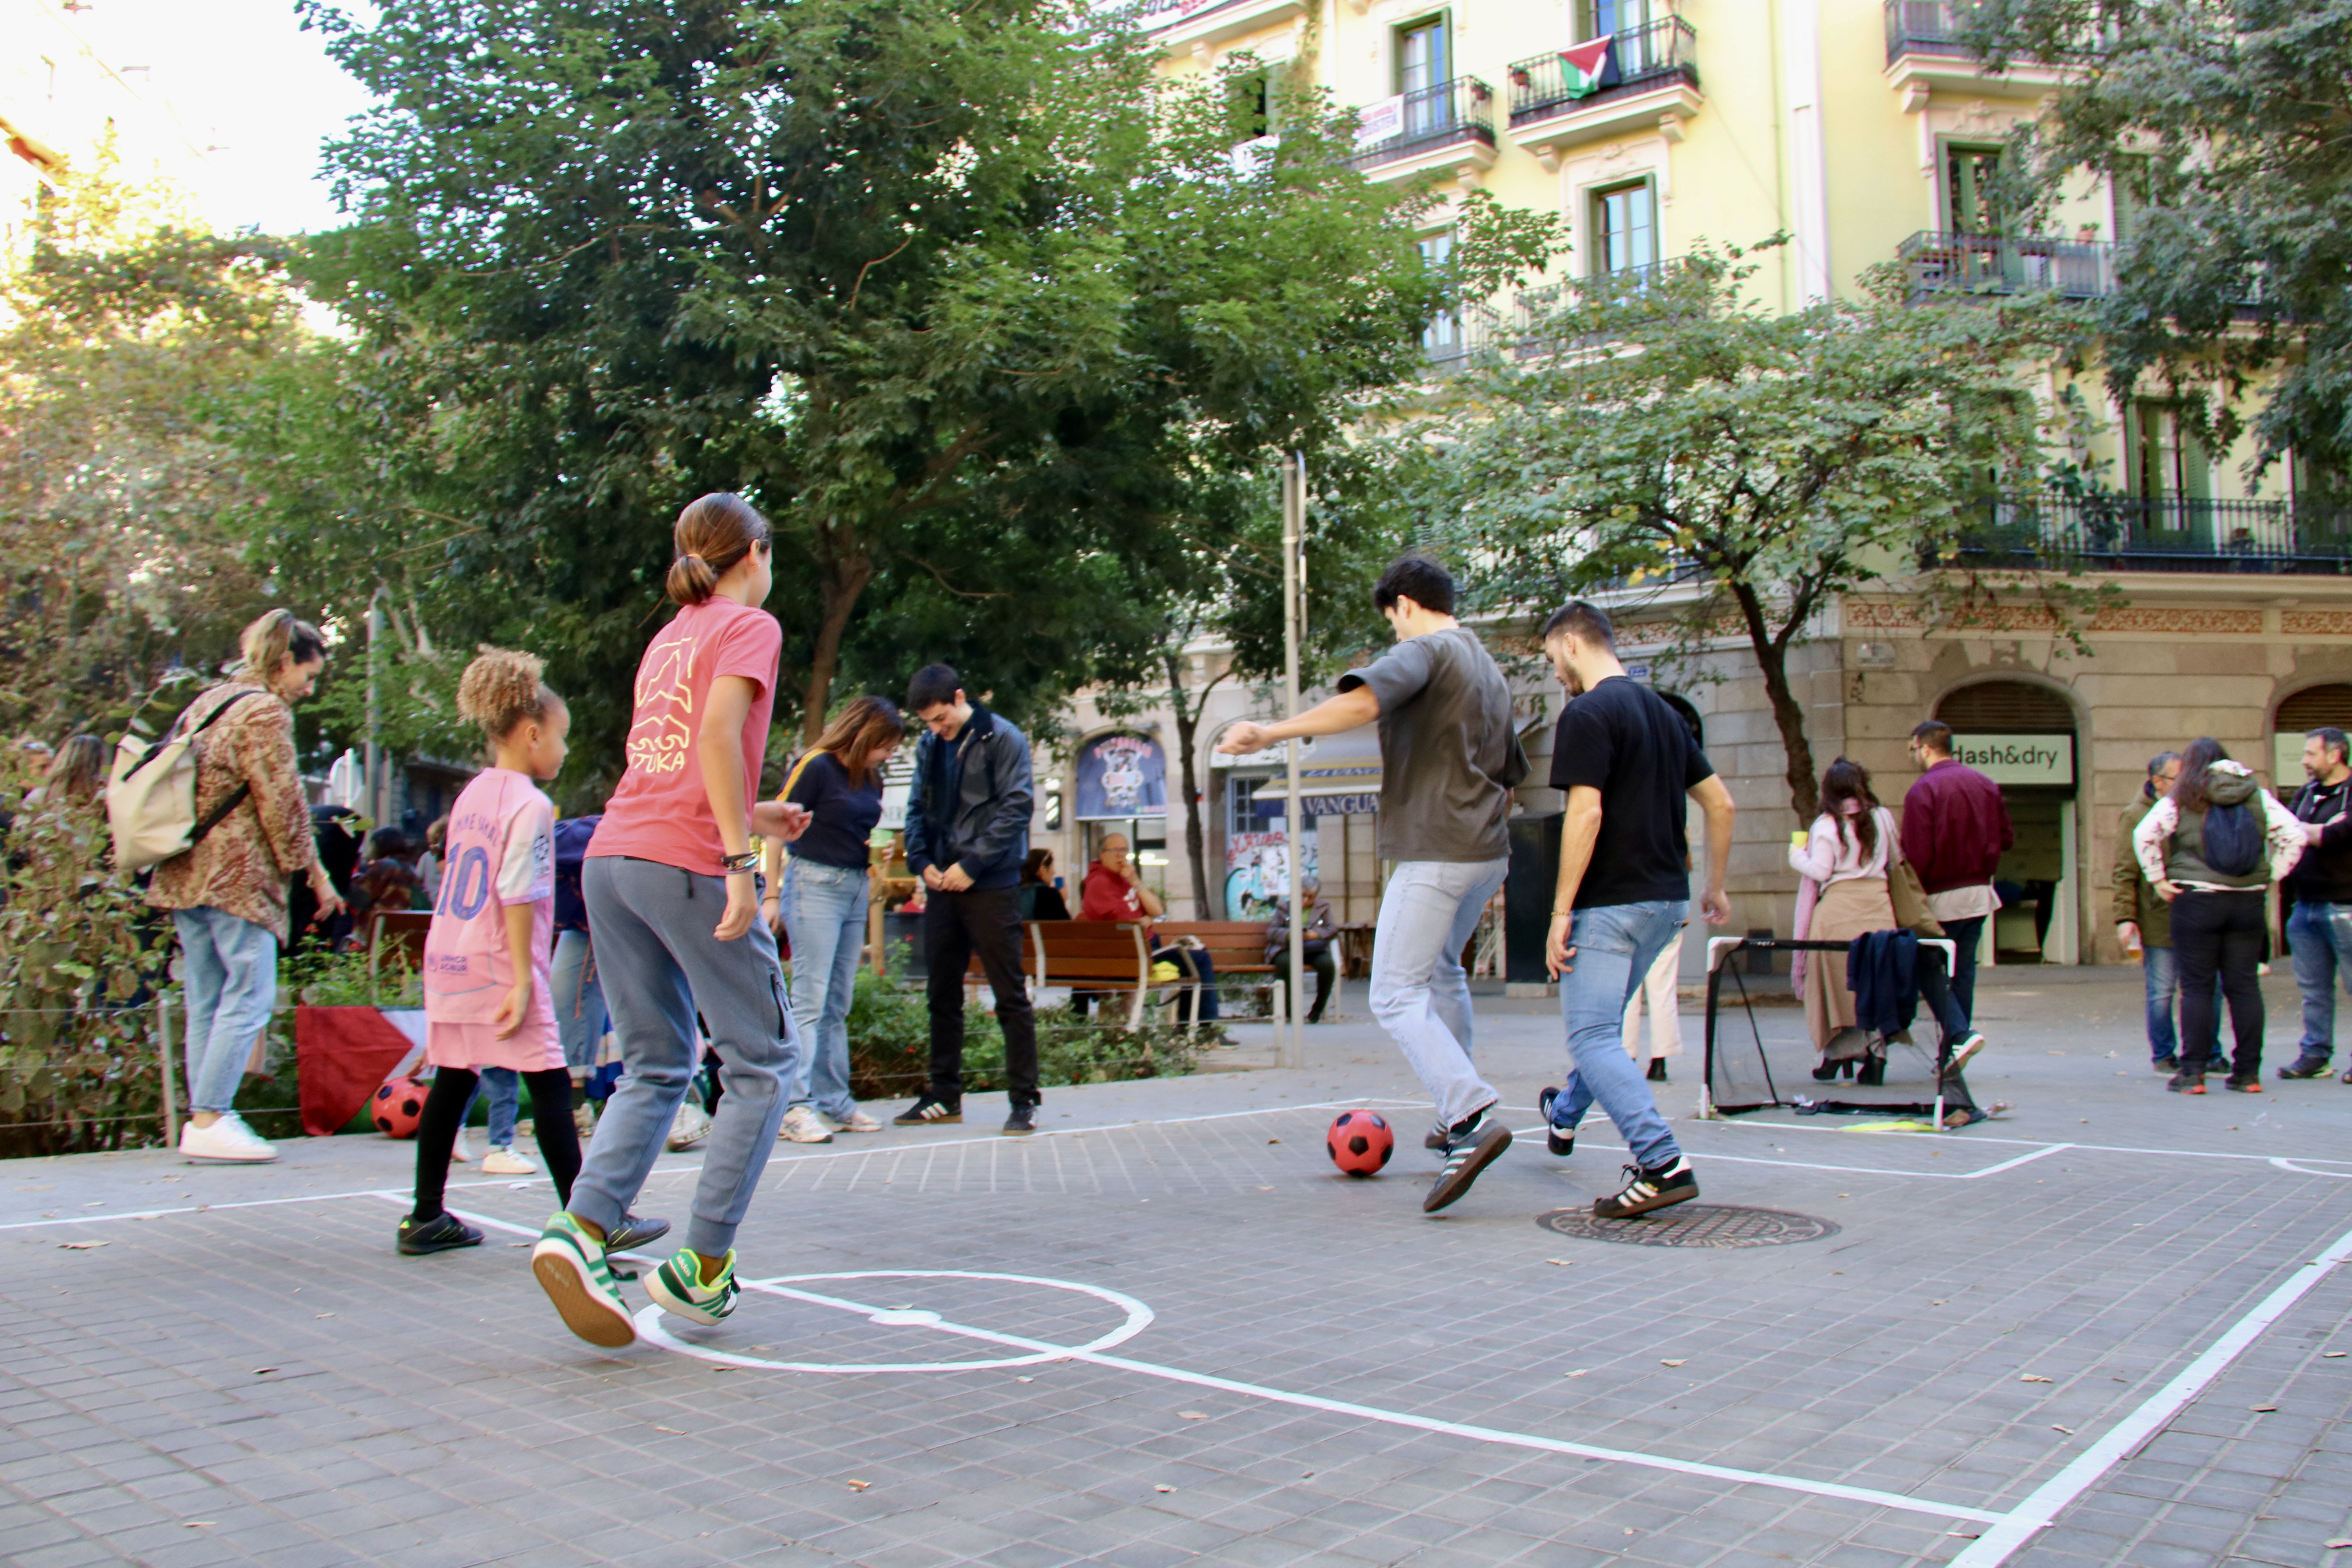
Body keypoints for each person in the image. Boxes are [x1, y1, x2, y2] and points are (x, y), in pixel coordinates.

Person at [530, 493, 810, 1348]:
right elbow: (721, 733)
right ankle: (703, 1269)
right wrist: (737, 861)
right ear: (755, 553)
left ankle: (579, 1229)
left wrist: (751, 815)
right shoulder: (747, 625)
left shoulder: (669, 634)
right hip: (686, 865)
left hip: (614, 858)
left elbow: (678, 759)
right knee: (763, 1062)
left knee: (656, 1062)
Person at [1216, 555, 1529, 1215]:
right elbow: (1512, 769)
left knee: (1391, 993)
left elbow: (1361, 703)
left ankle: (1469, 1114)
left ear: (1406, 605)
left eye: (1391, 622)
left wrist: (1270, 733)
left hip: (1436, 851)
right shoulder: (1490, 670)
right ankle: (1455, 1120)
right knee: (1445, 974)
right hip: (1487, 852)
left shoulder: (1429, 651)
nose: (1394, 636)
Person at [397, 649, 603, 1252]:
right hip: (499, 963)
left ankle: (426, 1215)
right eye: (562, 738)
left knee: (455, 1080)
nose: (564, 750)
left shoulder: (473, 794)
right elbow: (519, 890)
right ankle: (588, 1226)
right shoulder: (531, 804)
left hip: (450, 959)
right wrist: (521, 979)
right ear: (533, 734)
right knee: (549, 1083)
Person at [1535, 601, 1734, 1218]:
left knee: (1592, 1034)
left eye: (1551, 660)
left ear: (1572, 644)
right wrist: (1716, 888)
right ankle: (1565, 1114)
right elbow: (1721, 805)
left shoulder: (1587, 712)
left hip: (1609, 905)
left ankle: (1662, 1163)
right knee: (1605, 1022)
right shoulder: (1668, 715)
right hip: (1667, 903)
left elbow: (1586, 813)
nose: (1555, 675)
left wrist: (1560, 911)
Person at [147, 610, 348, 1163]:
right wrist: (315, 873)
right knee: (250, 995)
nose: (308, 691)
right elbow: (283, 804)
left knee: (206, 998)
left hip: (183, 870)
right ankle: (214, 1115)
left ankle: (202, 1117)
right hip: (236, 876)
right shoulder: (264, 712)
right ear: (284, 663)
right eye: (308, 677)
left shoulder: (209, 702)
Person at [895, 663, 1040, 1136]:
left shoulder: (1003, 737)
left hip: (991, 884)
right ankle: (944, 1095)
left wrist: (972, 865)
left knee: (1009, 994)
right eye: (929, 723)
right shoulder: (928, 743)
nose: (937, 730)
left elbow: (1017, 807)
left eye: (942, 719)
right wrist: (921, 861)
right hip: (942, 883)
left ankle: (1024, 1100)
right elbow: (917, 806)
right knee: (940, 991)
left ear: (960, 697)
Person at [762, 695, 905, 1143]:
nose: (890, 754)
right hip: (814, 884)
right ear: (866, 733)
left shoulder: (872, 777)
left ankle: (833, 1100)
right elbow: (776, 825)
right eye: (886, 744)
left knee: (836, 1001)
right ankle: (794, 1105)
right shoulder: (816, 766)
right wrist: (771, 892)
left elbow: (862, 830)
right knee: (810, 997)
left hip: (854, 884)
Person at [2132, 737, 2307, 1094]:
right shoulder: (2256, 794)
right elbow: (2295, 835)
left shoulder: (2183, 796)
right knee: (2244, 987)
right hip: (2247, 903)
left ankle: (2193, 1074)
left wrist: (2159, 880)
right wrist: (2271, 875)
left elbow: (2145, 834)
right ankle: (2248, 1074)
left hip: (2197, 901)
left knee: (2197, 987)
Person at [1790, 759, 1902, 1081]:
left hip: (1837, 914)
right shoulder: (1883, 818)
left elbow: (1822, 872)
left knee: (1837, 989)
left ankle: (1837, 1055)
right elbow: (1897, 859)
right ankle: (1876, 1057)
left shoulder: (1826, 826)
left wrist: (1797, 856)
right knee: (1876, 984)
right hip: (1880, 909)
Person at [1900, 720, 2013, 1033]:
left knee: (1929, 967)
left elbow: (1918, 855)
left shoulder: (1923, 791)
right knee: (1963, 969)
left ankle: (1959, 1035)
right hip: (1978, 893)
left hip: (1939, 896)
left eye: (1913, 749)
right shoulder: (1986, 784)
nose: (1913, 756)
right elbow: (2007, 837)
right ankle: (1955, 1048)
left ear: (1925, 748)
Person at [2112, 751, 2218, 1073]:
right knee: (2162, 989)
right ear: (2158, 781)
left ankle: (2209, 1051)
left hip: (2199, 911)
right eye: (2178, 778)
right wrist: (2125, 917)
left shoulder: (2194, 810)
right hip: (2159, 915)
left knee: (2205, 986)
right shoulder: (2136, 815)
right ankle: (2164, 1053)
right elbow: (2125, 870)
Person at [1079, 832, 1220, 1023]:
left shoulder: (1124, 879)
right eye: (1115, 850)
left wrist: (1136, 883)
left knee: (1192, 960)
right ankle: (1205, 1027)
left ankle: (1189, 1024)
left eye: (1124, 850)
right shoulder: (1099, 883)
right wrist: (1146, 920)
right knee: (1199, 958)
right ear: (1102, 855)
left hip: (1142, 949)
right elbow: (1128, 924)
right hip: (1133, 953)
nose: (1121, 855)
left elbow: (1157, 909)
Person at [2280, 728, 2352, 1080]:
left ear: (2335, 755)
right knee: (2313, 990)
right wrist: (2318, 832)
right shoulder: (2307, 793)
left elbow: (2342, 834)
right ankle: (2316, 1055)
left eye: (2311, 754)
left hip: (2346, 905)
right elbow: (2286, 831)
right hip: (2305, 905)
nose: (2305, 762)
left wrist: (2313, 832)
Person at [550, 812, 611, 1138]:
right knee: (566, 993)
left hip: (613, 919)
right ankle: (575, 1104)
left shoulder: (561, 842)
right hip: (585, 924)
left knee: (573, 994)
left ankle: (685, 1098)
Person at [1265, 875, 1339, 1024]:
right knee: (1286, 964)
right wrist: (1289, 935)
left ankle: (1316, 1011)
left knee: (1327, 965)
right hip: (1288, 949)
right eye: (1303, 896)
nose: (1305, 901)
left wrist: (1316, 934)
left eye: (1310, 897)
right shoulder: (1284, 908)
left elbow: (1332, 928)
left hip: (1313, 949)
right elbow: (1272, 932)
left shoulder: (1323, 907)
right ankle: (1291, 1012)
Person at [1019, 848, 1071, 921]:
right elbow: (1067, 928)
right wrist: (1061, 900)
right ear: (1042, 870)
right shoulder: (1050, 895)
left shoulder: (1013, 893)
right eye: (1051, 867)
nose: (1054, 872)